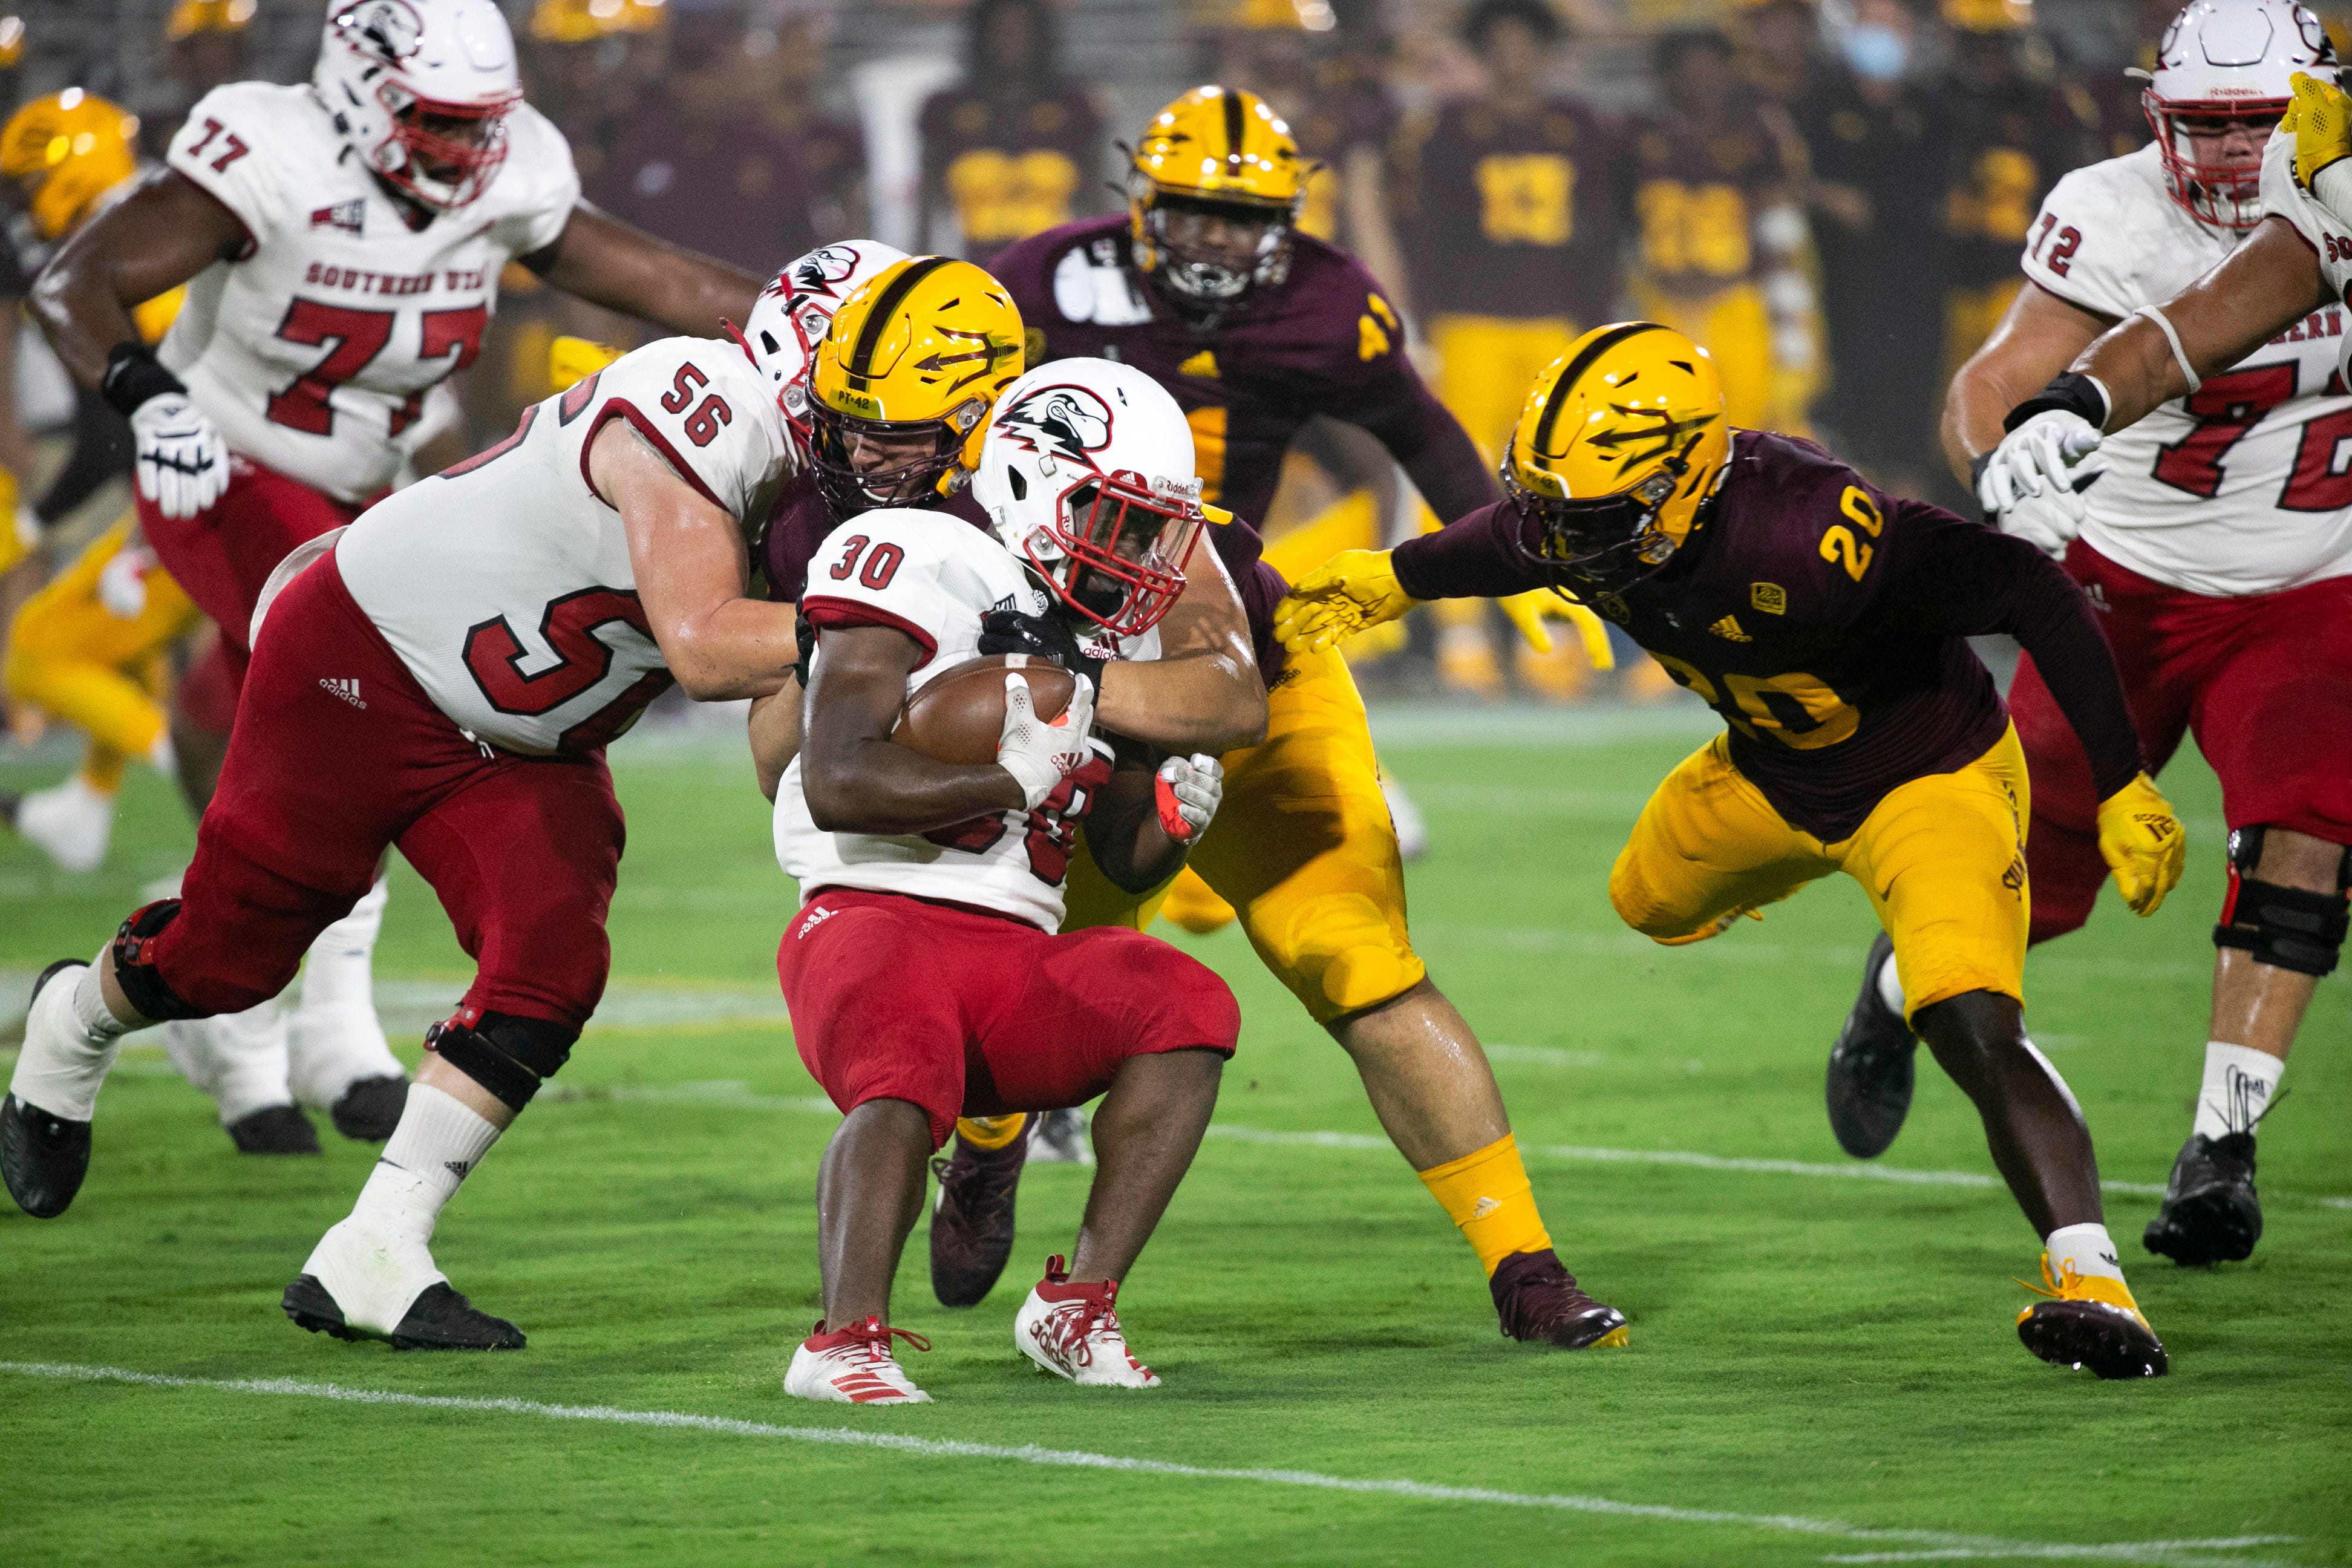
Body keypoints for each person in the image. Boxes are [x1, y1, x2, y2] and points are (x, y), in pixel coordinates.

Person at [1276, 321, 2184, 1379]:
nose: (1561, 541)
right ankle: (1893, 979)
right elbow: (1510, 538)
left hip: (1922, 778)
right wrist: (1398, 574)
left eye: (1591, 516)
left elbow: (2028, 590)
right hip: (1768, 769)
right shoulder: (1596, 514)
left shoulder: (1810, 529)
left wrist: (2119, 779)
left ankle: (2092, 1281)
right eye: (1551, 506)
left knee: (1971, 1017)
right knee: (1645, 898)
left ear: (1683, 483)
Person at [2, 270, 806, 1355]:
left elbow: (775, 750)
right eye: (891, 416)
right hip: (367, 665)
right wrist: (869, 618)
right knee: (230, 960)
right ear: (812, 377)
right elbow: (710, 647)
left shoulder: (849, 488)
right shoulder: (696, 408)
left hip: (523, 741)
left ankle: (374, 1249)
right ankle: (79, 1017)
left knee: (554, 962)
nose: (915, 449)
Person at [955, 85, 1630, 1350]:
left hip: (1240, 637)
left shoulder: (1329, 301)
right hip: (1065, 650)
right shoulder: (1042, 280)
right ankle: (989, 1140)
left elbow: (1422, 433)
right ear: (1142, 200)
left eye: (1242, 216)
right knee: (1035, 965)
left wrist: (1512, 558)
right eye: (1195, 212)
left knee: (1362, 958)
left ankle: (1524, 1265)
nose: (1214, 239)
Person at [24, 0, 768, 1147]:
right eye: (437, 123)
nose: (470, 152)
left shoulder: (509, 168)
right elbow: (76, 284)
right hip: (224, 465)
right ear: (358, 93)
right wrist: (149, 400)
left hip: (369, 488)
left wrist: (829, 320)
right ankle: (315, 1031)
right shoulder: (268, 148)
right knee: (363, 721)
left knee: (246, 732)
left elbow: (655, 277)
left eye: (483, 125)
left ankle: (228, 1013)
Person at [766, 354, 1250, 1403]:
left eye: (1143, 525)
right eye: (1111, 516)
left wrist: (1171, 824)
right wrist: (1000, 775)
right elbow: (839, 778)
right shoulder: (913, 552)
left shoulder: (1087, 626)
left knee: (1187, 1002)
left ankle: (1074, 1308)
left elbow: (1113, 853)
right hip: (870, 915)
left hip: (1012, 951)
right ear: (1032, 481)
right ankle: (840, 1341)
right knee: (902, 1070)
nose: (1130, 550)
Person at [1955, 0, 2351, 1267]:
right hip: (2131, 577)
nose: (2237, 154)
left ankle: (2222, 1145)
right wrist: (2009, 455)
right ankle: (1903, 977)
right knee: (2031, 863)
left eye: (2263, 125)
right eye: (2209, 127)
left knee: (2309, 828)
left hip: (2312, 575)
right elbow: (2027, 372)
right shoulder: (2117, 210)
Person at [1398, 0, 1628, 699]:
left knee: (1567, 484)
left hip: (1556, 321)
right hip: (1469, 323)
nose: (1511, 56)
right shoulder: (1443, 132)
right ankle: (1463, 637)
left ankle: (1558, 636)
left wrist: (1596, 324)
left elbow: (1604, 234)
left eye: (1522, 43)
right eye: (1497, 43)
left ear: (1545, 51)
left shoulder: (1584, 128)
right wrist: (1425, 323)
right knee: (1459, 481)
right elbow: (1425, 235)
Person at [1797, 0, 1955, 493]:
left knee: (1910, 437)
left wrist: (1853, 202)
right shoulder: (1820, 104)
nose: (1879, 39)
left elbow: (1934, 197)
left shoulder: (1934, 109)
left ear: (1911, 35)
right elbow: (1799, 186)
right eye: (1870, 26)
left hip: (1915, 296)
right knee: (1848, 440)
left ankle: (1912, 550)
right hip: (1841, 295)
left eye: (1891, 27)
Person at [1630, 28, 1815, 437]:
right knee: (1664, 439)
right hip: (1664, 305)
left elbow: (1780, 234)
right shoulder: (1636, 137)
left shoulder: (1758, 135)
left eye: (1709, 67)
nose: (1700, 79)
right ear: (1667, 77)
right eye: (1688, 69)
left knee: (1749, 433)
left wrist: (1792, 333)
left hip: (1738, 304)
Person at [1937, 0, 2104, 385]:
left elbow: (2081, 198)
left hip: (2022, 285)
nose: (1986, 57)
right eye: (1975, 45)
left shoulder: (2047, 109)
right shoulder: (1936, 104)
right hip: (1947, 286)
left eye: (1996, 44)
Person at [916, 0, 1105, 266]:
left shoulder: (1075, 106)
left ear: (1041, 35)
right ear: (982, 35)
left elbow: (1095, 200)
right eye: (1003, 31)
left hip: (1056, 267)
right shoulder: (946, 108)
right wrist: (918, 268)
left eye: (1023, 31)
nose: (1013, 41)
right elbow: (927, 207)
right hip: (970, 266)